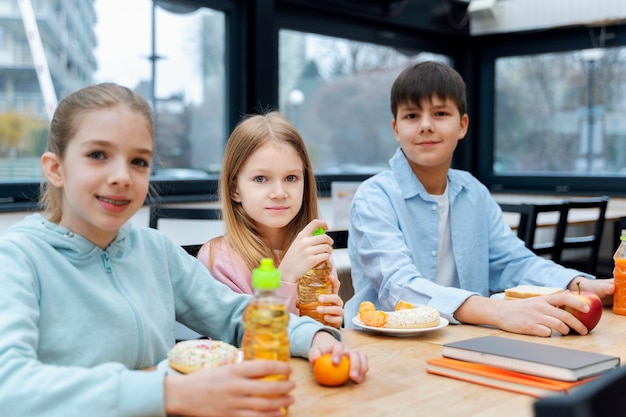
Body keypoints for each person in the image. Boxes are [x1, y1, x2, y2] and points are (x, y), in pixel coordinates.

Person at [0, 83, 368, 417]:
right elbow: (9, 386)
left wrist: (314, 336)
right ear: (55, 168)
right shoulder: (17, 259)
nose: (122, 176)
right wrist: (169, 393)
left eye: (139, 161)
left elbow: (237, 314)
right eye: (98, 155)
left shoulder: (156, 251)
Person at [344, 61, 615, 337]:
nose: (425, 126)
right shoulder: (374, 197)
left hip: (462, 341)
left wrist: (577, 284)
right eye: (412, 116)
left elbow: (513, 263)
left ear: (462, 125)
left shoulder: (474, 192)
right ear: (396, 129)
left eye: (440, 113)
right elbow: (398, 286)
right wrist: (499, 312)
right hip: (383, 351)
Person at [197, 111, 345, 328]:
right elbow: (241, 341)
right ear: (234, 188)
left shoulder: (313, 252)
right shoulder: (217, 260)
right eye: (261, 179)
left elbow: (320, 337)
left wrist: (331, 323)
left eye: (291, 178)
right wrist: (284, 278)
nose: (279, 192)